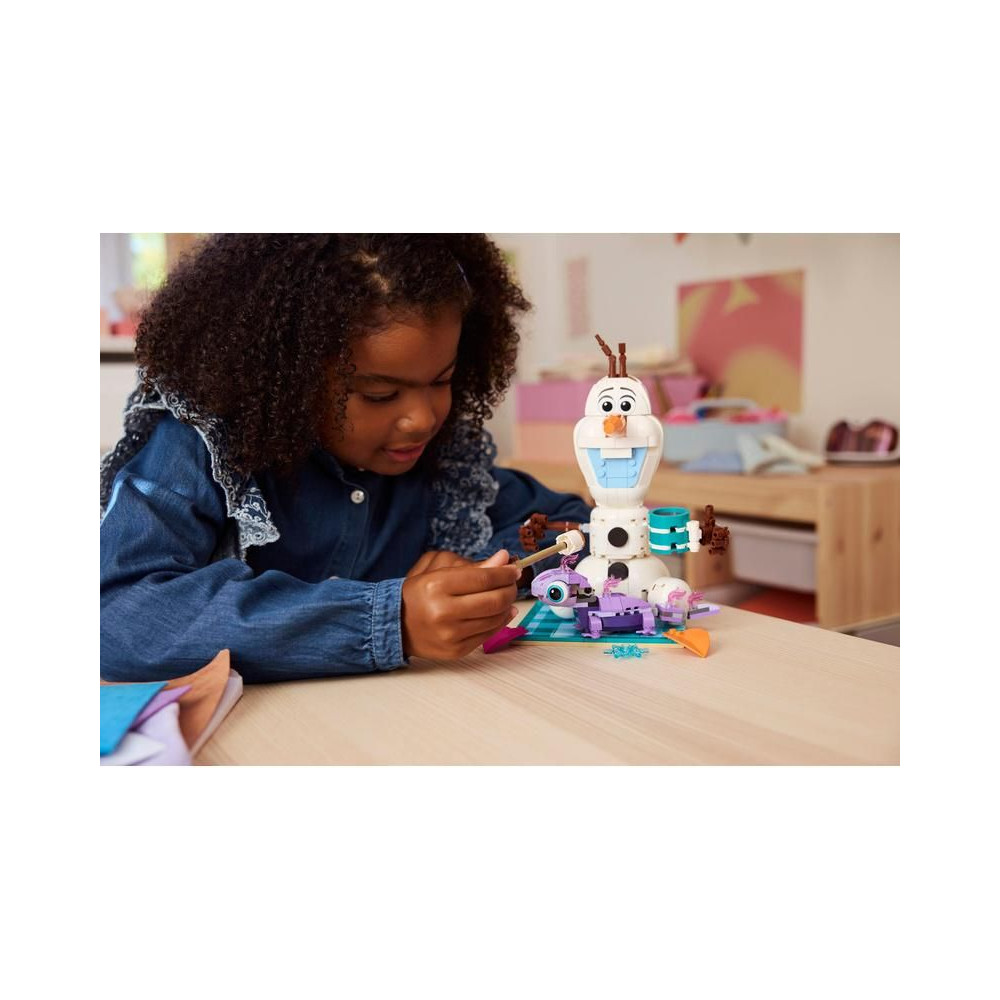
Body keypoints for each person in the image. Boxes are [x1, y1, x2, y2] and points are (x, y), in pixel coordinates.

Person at [100, 234, 590, 683]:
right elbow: (119, 614)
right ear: (288, 379)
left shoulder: (447, 467)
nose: (422, 419)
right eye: (380, 394)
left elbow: (579, 527)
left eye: (442, 380)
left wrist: (485, 573)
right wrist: (390, 618)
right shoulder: (203, 449)